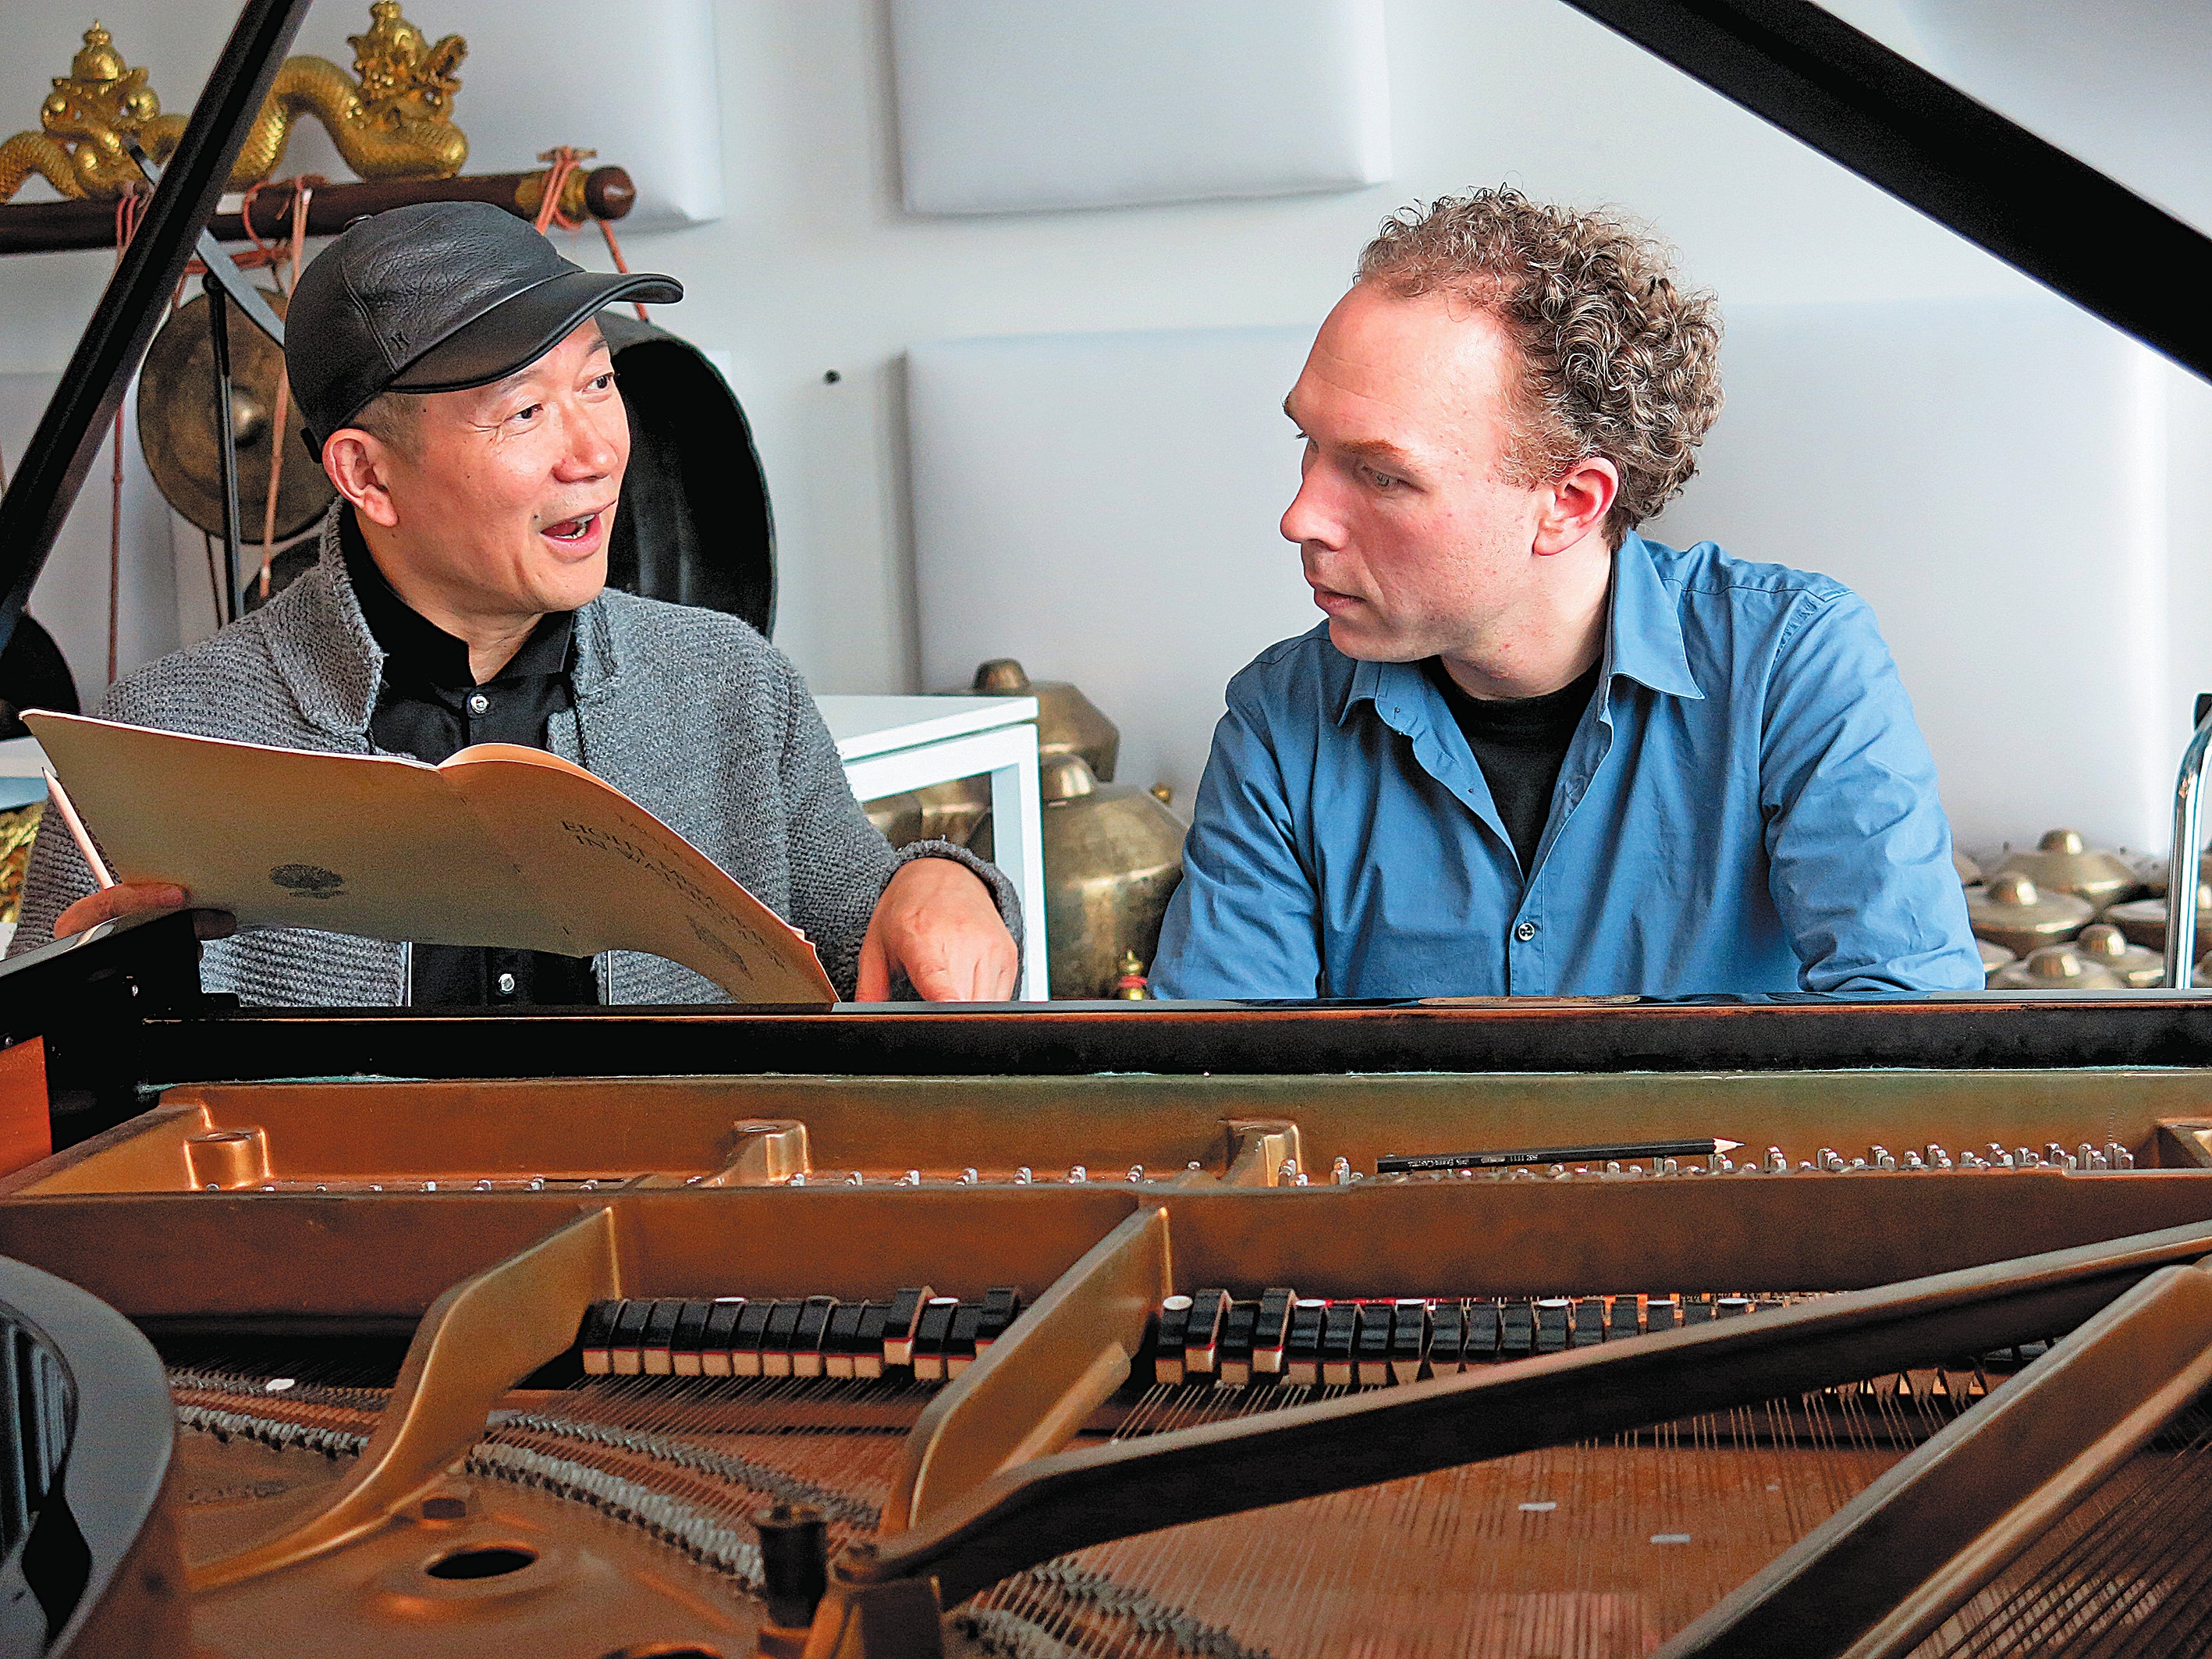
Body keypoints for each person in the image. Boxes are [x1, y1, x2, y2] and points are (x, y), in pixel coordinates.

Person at [12, 202, 1019, 1006]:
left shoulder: (731, 689)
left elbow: (870, 920)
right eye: (527, 412)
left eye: (597, 383)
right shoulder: (159, 738)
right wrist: (99, 992)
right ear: (366, 476)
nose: (594, 452)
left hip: (671, 1248)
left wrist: (945, 886)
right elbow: (44, 1114)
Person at [1151, 187, 1979, 1000]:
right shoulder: (1278, 717)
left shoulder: (1794, 661)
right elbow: (1222, 1087)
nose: (1300, 517)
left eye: (1381, 475)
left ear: (1571, 502)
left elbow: (1917, 1054)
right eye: (1310, 442)